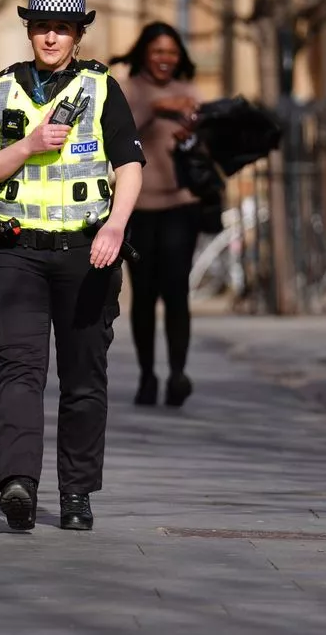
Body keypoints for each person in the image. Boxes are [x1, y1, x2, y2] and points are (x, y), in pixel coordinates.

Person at [0, 0, 145, 531]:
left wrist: (115, 227)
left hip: (87, 254)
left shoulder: (101, 88)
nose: (50, 38)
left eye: (61, 29)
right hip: (18, 251)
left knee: (84, 377)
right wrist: (25, 146)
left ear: (77, 34)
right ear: (29, 30)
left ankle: (76, 493)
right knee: (20, 369)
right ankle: (18, 484)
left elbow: (130, 166)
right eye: (42, 27)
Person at [114, 22, 201, 407]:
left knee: (177, 292)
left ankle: (178, 373)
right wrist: (156, 107)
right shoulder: (128, 89)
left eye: (171, 52)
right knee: (145, 295)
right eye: (158, 51)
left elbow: (204, 146)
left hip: (181, 204)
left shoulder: (189, 93)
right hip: (139, 207)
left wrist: (192, 135)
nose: (165, 59)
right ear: (144, 53)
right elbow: (119, 135)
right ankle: (147, 375)